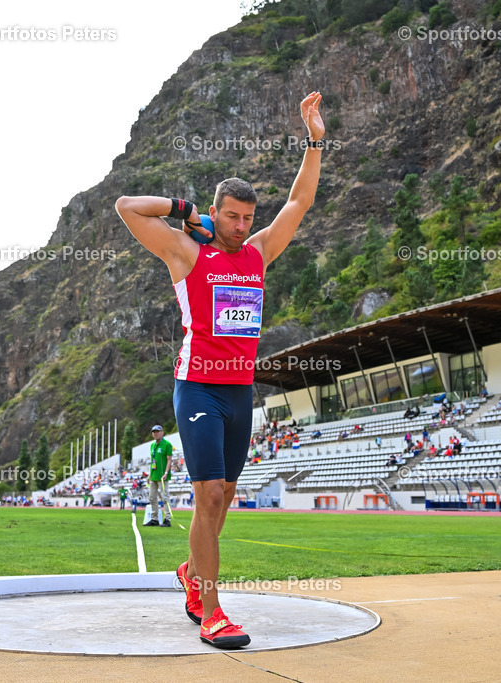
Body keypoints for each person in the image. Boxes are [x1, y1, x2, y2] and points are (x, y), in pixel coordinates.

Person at [115, 91, 325, 650]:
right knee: (207, 493)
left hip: (241, 394)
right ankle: (211, 610)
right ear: (216, 211)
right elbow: (127, 206)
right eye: (231, 216)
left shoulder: (257, 254)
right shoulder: (187, 252)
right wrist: (186, 214)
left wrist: (314, 139)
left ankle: (189, 572)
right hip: (199, 386)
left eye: (247, 218)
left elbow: (300, 202)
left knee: (224, 497)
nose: (239, 225)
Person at [145, 425, 173, 527]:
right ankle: (154, 519)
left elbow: (169, 460)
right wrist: (149, 475)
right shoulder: (152, 445)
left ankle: (167, 519)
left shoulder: (167, 444)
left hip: (162, 476)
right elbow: (153, 461)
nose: (155, 433)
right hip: (153, 475)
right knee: (152, 497)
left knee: (165, 497)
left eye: (157, 431)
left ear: (162, 432)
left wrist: (166, 472)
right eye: (154, 432)